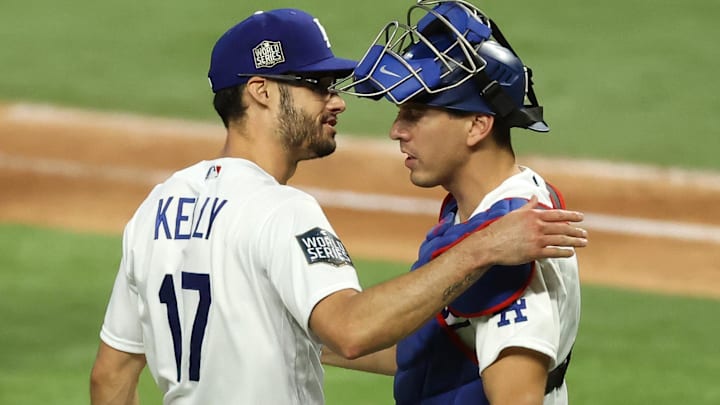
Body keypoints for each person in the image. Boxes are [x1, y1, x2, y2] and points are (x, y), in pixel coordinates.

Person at [89, 7, 587, 405]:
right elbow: (352, 330)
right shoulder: (280, 211)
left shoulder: (158, 206)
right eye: (315, 85)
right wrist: (484, 247)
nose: (337, 101)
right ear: (260, 91)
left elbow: (109, 378)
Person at [324, 1, 582, 404]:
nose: (396, 131)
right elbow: (422, 351)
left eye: (416, 113)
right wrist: (297, 338)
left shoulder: (513, 248)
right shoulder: (477, 215)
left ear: (478, 125)